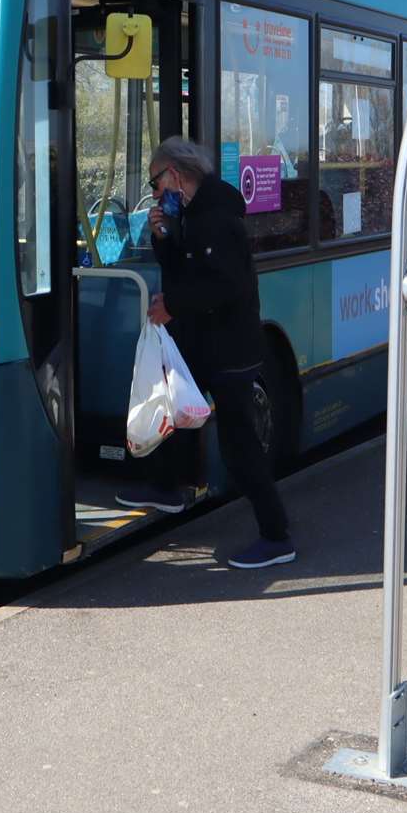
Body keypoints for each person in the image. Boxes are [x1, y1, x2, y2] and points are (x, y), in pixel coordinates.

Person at [115, 137, 295, 569]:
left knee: (239, 447)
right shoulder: (195, 214)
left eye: (156, 182)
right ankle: (166, 489)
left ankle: (277, 537)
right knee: (179, 409)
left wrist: (172, 306)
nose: (156, 192)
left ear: (175, 174)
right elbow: (184, 270)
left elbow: (225, 285)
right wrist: (162, 237)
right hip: (207, 343)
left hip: (229, 349)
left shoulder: (215, 217)